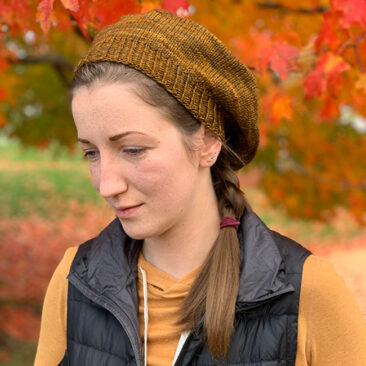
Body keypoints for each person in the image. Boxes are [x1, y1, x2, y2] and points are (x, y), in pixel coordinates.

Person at [34, 8, 366, 366]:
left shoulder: (307, 292)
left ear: (207, 142)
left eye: (133, 150)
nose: (106, 185)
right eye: (91, 153)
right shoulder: (76, 280)